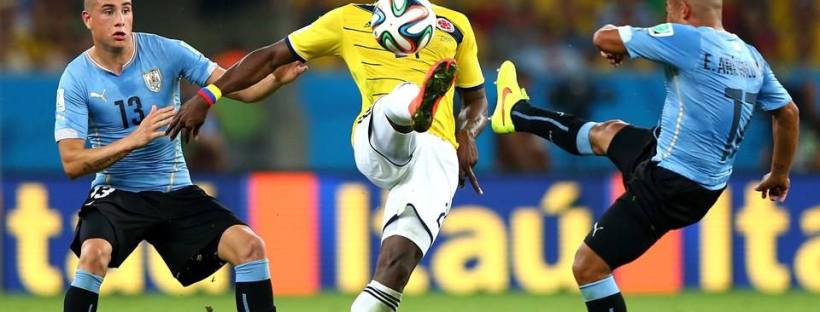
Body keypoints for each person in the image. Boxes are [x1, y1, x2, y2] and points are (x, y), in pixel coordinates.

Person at [167, 2, 488, 311]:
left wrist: (467, 134)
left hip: (436, 153)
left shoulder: (457, 25)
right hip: (379, 136)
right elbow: (271, 57)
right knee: (401, 96)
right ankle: (415, 105)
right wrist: (208, 95)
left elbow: (476, 101)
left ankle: (417, 105)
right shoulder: (347, 18)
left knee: (393, 274)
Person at [491, 0, 799, 311]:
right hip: (693, 174)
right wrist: (779, 173)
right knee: (607, 133)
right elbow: (788, 112)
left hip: (669, 181)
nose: (666, 15)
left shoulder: (687, 38)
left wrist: (622, 47)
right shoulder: (750, 56)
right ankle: (516, 113)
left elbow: (603, 37)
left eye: (668, 8)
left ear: (683, 9)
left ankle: (517, 114)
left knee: (588, 266)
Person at [55, 1, 304, 311]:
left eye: (126, 10)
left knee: (250, 246)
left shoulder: (167, 51)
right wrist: (133, 141)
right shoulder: (76, 77)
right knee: (94, 254)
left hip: (174, 190)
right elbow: (72, 162)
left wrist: (275, 80)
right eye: (109, 11)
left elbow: (240, 89)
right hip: (117, 192)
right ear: (88, 19)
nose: (120, 20)